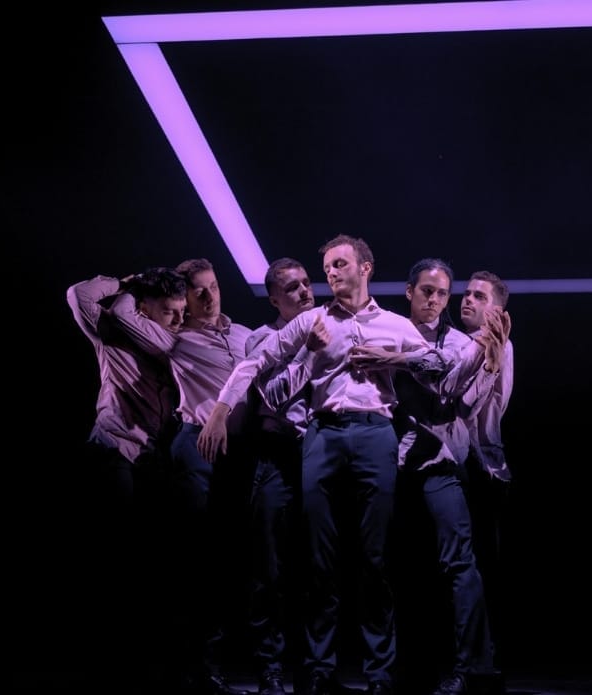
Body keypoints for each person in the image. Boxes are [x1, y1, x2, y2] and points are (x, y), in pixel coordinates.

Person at [197, 235, 503, 695]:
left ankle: (380, 674)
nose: (332, 273)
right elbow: (259, 366)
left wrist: (404, 356)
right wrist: (222, 408)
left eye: (340, 264)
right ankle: (319, 671)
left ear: (365, 268)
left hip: (376, 434)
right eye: (327, 267)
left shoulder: (397, 325)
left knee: (375, 558)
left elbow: (440, 366)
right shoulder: (313, 322)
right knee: (319, 557)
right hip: (323, 434)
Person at [108, 257, 253, 695]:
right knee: (195, 558)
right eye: (199, 291)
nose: (209, 297)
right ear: (184, 301)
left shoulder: (246, 334)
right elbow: (116, 313)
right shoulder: (173, 337)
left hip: (245, 453)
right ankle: (191, 666)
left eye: (214, 287)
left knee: (233, 562)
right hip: (197, 446)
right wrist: (130, 282)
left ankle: (215, 661)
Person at [65, 267, 187, 691]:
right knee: (114, 559)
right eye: (170, 311)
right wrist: (125, 285)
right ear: (145, 307)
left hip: (154, 460)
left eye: (181, 312)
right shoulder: (112, 333)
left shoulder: (170, 346)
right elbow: (79, 293)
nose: (178, 320)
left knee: (150, 566)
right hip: (114, 451)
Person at [390, 259, 509, 695]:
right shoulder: (389, 329)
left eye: (442, 293)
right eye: (426, 291)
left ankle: (470, 665)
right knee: (395, 568)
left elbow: (463, 395)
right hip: (395, 465)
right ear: (409, 292)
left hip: (442, 463)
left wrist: (490, 361)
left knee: (459, 566)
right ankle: (395, 667)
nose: (435, 300)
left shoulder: (463, 343)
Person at [244, 258, 318, 695]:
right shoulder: (262, 338)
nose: (306, 291)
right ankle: (270, 664)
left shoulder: (329, 330)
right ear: (275, 298)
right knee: (268, 565)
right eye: (293, 288)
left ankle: (314, 666)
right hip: (274, 455)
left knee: (315, 566)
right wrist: (310, 347)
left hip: (315, 454)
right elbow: (273, 397)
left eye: (307, 283)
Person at [457, 271, 514, 683]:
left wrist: (489, 357)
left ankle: (484, 660)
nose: (468, 300)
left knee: (482, 568)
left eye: (479, 296)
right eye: (466, 293)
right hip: (463, 465)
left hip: (484, 467)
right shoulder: (456, 343)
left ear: (497, 309)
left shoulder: (500, 348)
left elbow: (480, 411)